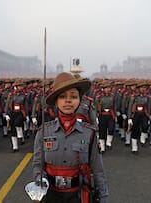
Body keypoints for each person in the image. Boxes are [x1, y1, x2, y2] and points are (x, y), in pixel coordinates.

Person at [32, 72, 108, 203]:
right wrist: (40, 181)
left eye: (73, 96)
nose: (68, 100)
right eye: (62, 96)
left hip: (78, 196)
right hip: (50, 195)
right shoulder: (44, 132)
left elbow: (98, 171)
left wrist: (103, 197)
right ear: (56, 101)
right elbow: (38, 164)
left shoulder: (89, 133)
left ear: (79, 100)